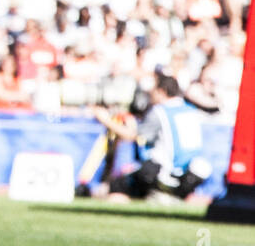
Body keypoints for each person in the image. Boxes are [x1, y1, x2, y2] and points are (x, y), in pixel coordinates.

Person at [90, 73, 213, 202]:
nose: (149, 94)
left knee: (118, 186)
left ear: (161, 91)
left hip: (163, 173)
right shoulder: (190, 110)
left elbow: (131, 136)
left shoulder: (160, 112)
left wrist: (104, 119)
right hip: (190, 174)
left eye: (152, 91)